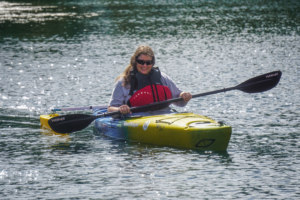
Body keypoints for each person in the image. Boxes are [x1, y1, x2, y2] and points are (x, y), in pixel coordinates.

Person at [107, 45, 192, 115]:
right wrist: (120, 109)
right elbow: (110, 109)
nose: (144, 65)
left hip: (165, 115)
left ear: (152, 63)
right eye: (141, 62)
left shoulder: (162, 78)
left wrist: (184, 96)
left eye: (148, 62)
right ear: (135, 61)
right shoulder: (123, 82)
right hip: (137, 118)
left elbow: (180, 102)